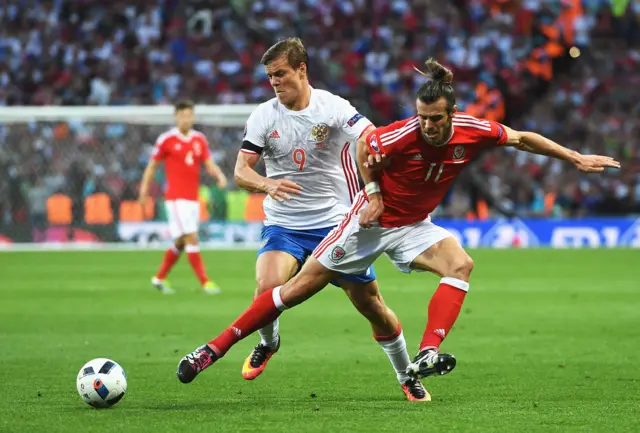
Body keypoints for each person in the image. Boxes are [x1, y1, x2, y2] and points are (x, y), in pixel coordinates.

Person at [176, 58, 619, 394]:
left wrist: (575, 158)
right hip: (367, 223)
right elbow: (366, 149)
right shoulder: (402, 134)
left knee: (460, 265)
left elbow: (522, 138)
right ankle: (213, 348)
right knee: (289, 294)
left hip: (414, 225)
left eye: (435, 119)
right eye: (421, 117)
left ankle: (425, 354)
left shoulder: (472, 129)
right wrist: (371, 194)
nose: (426, 126)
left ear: (452, 114)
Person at [230, 37, 428, 401]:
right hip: (285, 225)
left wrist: (381, 175)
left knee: (373, 308)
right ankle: (269, 342)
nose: (274, 82)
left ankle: (407, 374)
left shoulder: (333, 108)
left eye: (280, 74)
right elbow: (241, 172)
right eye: (270, 76)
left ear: (302, 70)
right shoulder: (263, 115)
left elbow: (370, 137)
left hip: (336, 225)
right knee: (265, 288)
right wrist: (267, 184)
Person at [139, 100, 228, 295]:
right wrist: (144, 191)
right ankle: (205, 282)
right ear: (176, 117)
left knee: (180, 240)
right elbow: (152, 166)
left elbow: (208, 162)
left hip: (192, 199)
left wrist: (219, 176)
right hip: (175, 199)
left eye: (189, 115)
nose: (186, 119)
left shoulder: (199, 139)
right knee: (191, 236)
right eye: (183, 115)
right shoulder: (166, 139)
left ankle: (159, 278)